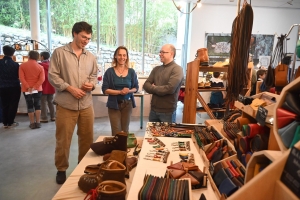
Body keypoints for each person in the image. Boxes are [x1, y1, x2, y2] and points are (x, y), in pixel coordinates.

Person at [48, 21, 97, 184]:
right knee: (63, 139)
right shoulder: (59, 53)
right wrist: (70, 88)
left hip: (86, 105)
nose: (86, 40)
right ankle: (61, 169)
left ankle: (83, 166)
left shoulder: (90, 56)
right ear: (74, 34)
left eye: (88, 38)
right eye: (83, 37)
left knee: (87, 138)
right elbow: (53, 76)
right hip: (66, 105)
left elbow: (94, 75)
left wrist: (91, 84)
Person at [102, 46, 139, 136]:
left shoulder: (131, 72)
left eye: (124, 55)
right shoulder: (109, 72)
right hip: (114, 104)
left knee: (125, 131)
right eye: (119, 55)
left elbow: (136, 88)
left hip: (127, 104)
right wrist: (119, 92)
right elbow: (105, 89)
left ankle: (123, 149)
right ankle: (116, 149)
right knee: (116, 132)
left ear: (126, 57)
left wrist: (128, 91)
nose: (122, 57)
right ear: (115, 56)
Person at [143, 44, 183, 123]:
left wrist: (153, 88)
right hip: (153, 110)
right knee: (152, 135)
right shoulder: (156, 69)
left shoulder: (177, 69)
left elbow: (170, 89)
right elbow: (146, 85)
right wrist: (159, 89)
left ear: (171, 54)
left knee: (166, 135)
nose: (160, 54)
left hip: (168, 112)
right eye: (160, 52)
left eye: (163, 52)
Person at [19, 50, 45, 129]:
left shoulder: (22, 66)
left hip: (26, 89)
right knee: (37, 105)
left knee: (29, 105)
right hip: (37, 89)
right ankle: (38, 122)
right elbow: (42, 79)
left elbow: (21, 78)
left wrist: (28, 87)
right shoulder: (40, 67)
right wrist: (34, 87)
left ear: (29, 56)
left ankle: (32, 123)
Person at [0, 45, 21, 128]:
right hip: (14, 86)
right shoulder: (15, 65)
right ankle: (11, 122)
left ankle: (5, 122)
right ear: (13, 54)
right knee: (13, 104)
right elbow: (18, 76)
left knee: (4, 104)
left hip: (1, 86)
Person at [40, 51, 56, 123]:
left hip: (43, 86)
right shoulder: (52, 65)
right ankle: (53, 116)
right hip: (51, 86)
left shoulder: (40, 65)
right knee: (51, 102)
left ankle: (44, 117)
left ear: (42, 57)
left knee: (43, 102)